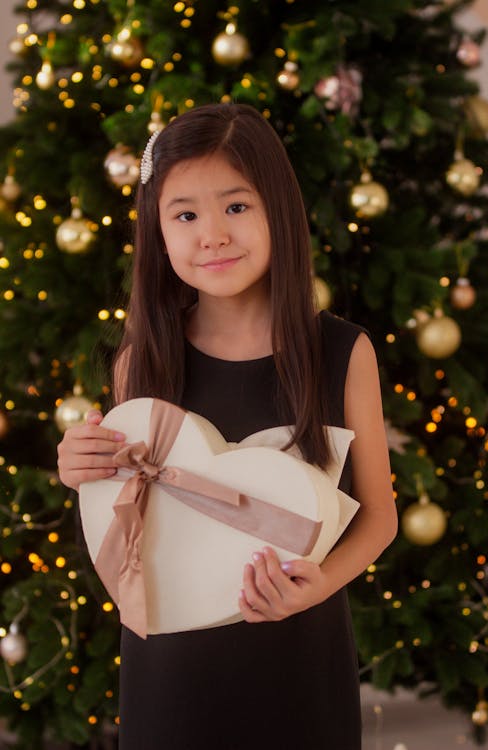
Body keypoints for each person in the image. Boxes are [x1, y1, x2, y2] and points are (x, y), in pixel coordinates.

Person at [57, 102, 397, 750]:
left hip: (300, 667)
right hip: (171, 674)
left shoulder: (343, 353)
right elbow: (129, 512)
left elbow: (380, 518)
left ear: (279, 211)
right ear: (157, 231)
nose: (210, 233)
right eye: (185, 214)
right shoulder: (144, 360)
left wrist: (316, 586)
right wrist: (84, 469)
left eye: (236, 207)